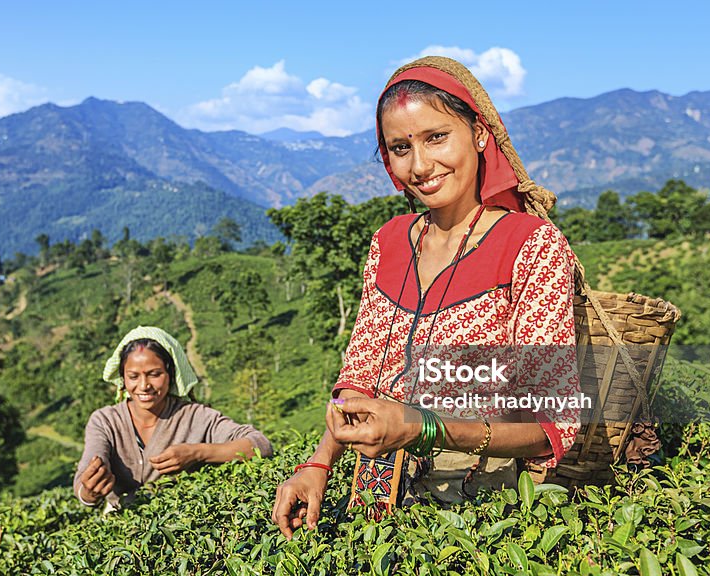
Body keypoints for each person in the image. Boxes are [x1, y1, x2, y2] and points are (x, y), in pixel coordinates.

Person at [271, 56, 581, 538]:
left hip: (480, 512)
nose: (419, 165)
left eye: (437, 137)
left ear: (479, 134)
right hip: (374, 502)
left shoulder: (530, 245)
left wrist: (423, 426)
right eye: (400, 147)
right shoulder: (389, 242)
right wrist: (318, 464)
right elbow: (360, 378)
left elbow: (549, 425)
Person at [74, 325, 274, 510]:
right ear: (123, 379)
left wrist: (197, 453)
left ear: (170, 374)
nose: (144, 385)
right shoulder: (105, 421)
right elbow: (84, 477)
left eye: (154, 374)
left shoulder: (194, 416)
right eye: (133, 376)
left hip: (182, 524)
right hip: (123, 528)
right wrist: (90, 491)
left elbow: (260, 445)